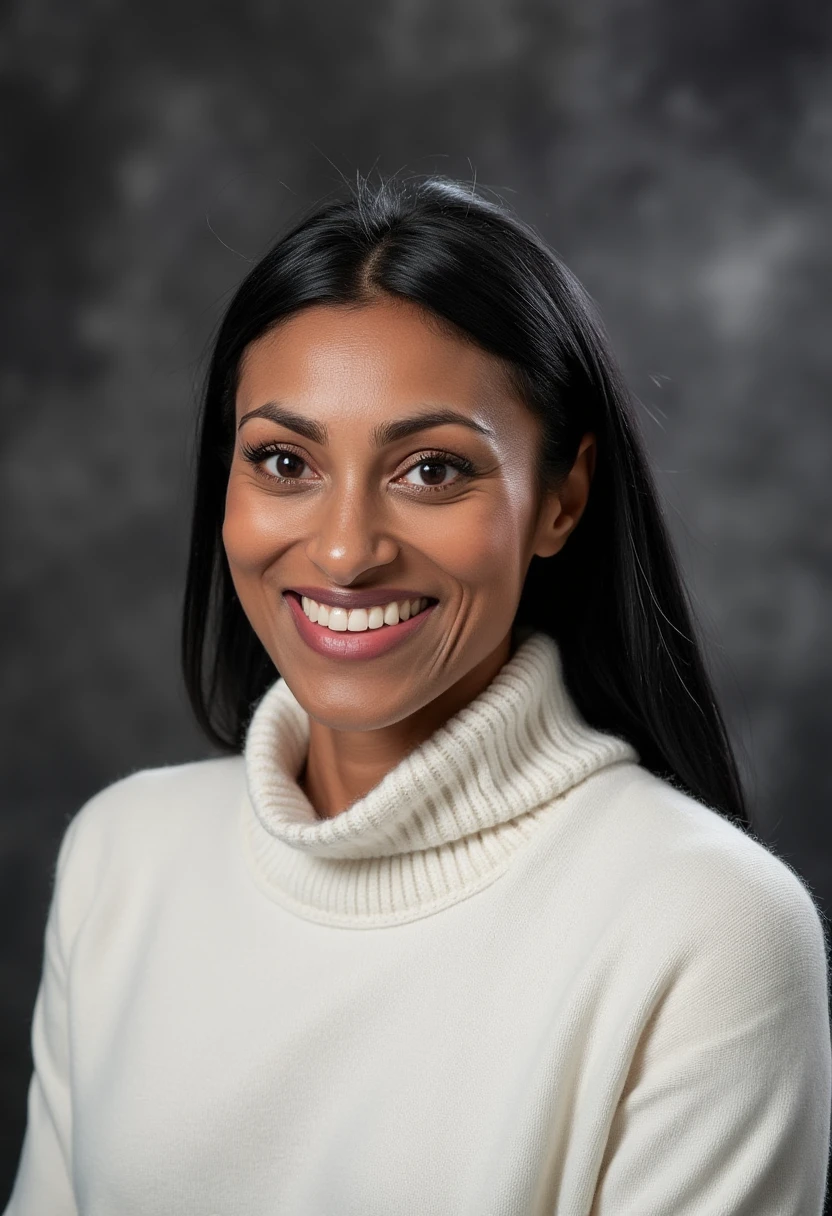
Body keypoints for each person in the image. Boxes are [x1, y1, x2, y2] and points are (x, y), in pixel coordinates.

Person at [5, 174, 830, 1215]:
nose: (345, 550)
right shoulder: (120, 858)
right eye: (283, 460)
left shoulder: (706, 927)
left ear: (561, 500)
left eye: (432, 470)